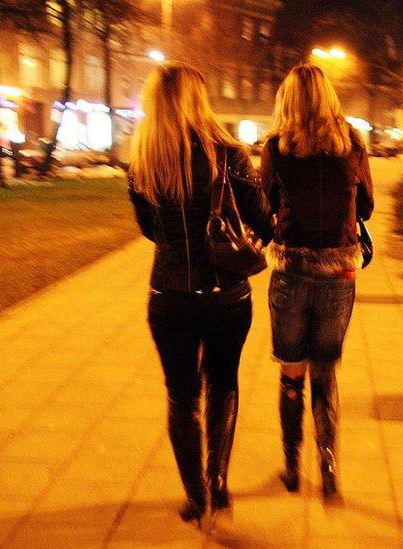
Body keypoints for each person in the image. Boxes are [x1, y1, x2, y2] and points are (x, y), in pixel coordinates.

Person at [127, 62, 274, 524]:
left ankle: (195, 497)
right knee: (223, 384)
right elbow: (263, 220)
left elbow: (151, 230)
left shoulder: (143, 160)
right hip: (226, 295)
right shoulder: (228, 154)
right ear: (199, 100)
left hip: (169, 297)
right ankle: (219, 481)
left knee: (180, 396)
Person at [260, 63, 375, 500]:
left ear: (287, 101)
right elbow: (366, 205)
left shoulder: (276, 147)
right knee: (326, 374)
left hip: (291, 271)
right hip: (338, 275)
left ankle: (292, 466)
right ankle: (328, 468)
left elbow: (266, 202)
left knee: (292, 377)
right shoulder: (353, 144)